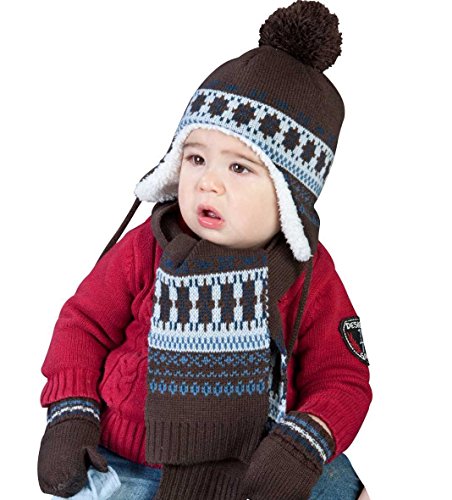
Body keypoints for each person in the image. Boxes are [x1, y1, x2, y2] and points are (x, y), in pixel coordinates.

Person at [37, 1, 372, 499]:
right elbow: (83, 325)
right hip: (129, 456)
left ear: (290, 195)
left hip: (258, 465)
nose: (207, 183)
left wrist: (304, 442)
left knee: (340, 486)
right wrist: (71, 410)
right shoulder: (148, 245)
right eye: (196, 159)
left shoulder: (308, 276)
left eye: (239, 168)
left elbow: (342, 377)